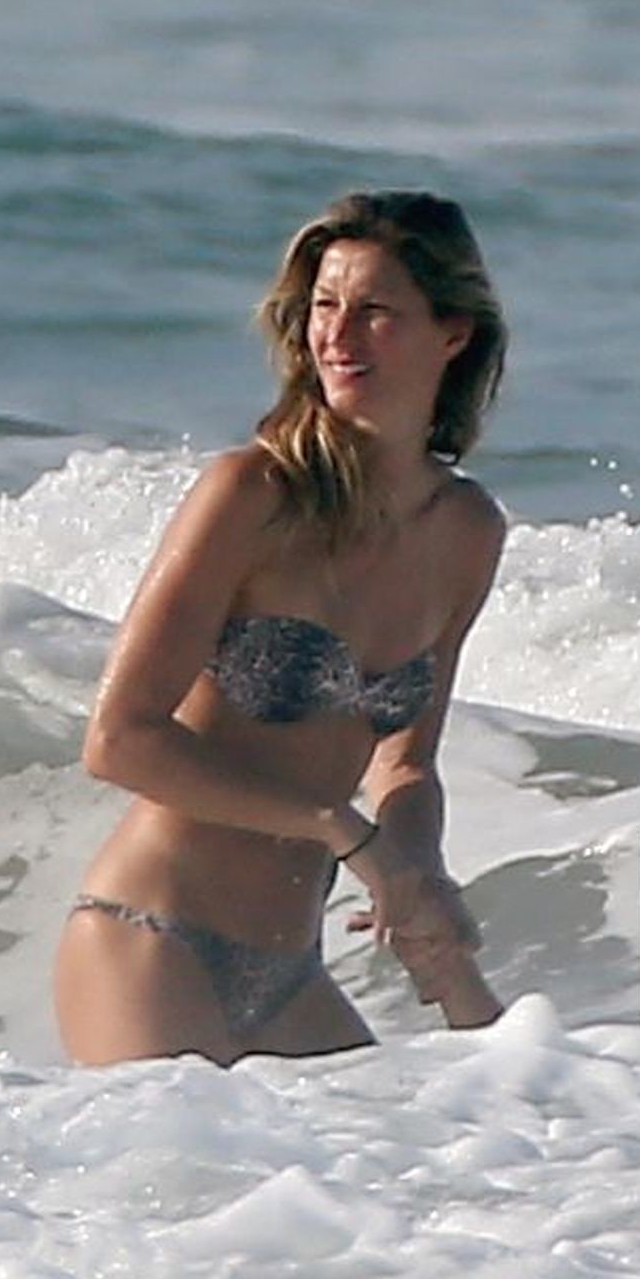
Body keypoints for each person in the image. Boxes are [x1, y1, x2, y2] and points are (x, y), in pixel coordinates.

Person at [54, 191, 509, 1067]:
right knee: (179, 1166)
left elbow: (406, 762)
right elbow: (119, 741)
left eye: (375, 311)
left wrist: (418, 873)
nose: (337, 335)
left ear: (453, 332)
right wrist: (341, 831)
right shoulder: (252, 495)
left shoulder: (467, 531)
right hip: (151, 937)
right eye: (324, 306)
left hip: (292, 974)